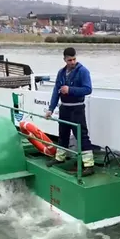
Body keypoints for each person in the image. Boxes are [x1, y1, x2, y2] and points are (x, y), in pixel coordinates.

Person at [45, 47, 94, 177]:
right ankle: (60, 158)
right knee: (63, 134)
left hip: (77, 108)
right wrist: (51, 109)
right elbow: (56, 91)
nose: (72, 62)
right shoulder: (61, 73)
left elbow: (88, 89)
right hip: (64, 108)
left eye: (74, 59)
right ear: (64, 60)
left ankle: (89, 164)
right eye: (69, 60)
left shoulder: (83, 71)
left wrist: (70, 90)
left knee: (82, 135)